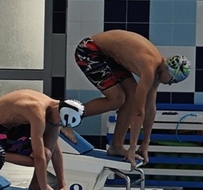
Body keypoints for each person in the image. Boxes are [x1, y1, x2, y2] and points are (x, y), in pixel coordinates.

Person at [73, 30, 191, 165]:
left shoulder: (159, 69)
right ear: (169, 71)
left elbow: (150, 108)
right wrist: (132, 148)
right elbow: (138, 111)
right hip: (90, 50)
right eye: (172, 81)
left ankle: (116, 146)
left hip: (109, 56)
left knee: (132, 94)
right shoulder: (150, 68)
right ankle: (64, 118)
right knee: (117, 99)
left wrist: (145, 143)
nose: (170, 84)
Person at [0, 91, 78, 190]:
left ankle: (36, 184)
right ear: (60, 111)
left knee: (51, 136)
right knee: (43, 154)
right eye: (60, 121)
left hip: (11, 127)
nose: (58, 123)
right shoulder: (37, 111)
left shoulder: (53, 109)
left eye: (62, 124)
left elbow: (56, 152)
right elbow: (39, 157)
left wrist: (63, 185)